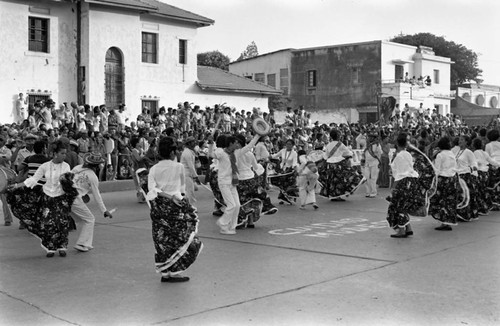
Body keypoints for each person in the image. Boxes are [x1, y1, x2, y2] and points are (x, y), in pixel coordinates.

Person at [6, 140, 78, 257]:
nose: (64, 156)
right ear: (55, 153)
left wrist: (71, 185)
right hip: (47, 197)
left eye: (65, 153)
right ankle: (50, 247)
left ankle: (62, 246)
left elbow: (69, 182)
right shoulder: (45, 166)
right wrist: (16, 186)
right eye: (62, 153)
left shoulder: (66, 166)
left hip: (61, 198)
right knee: (47, 223)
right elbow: (33, 180)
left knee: (62, 222)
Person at [146, 137, 202, 283]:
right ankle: (175, 271)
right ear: (172, 152)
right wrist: (175, 199)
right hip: (176, 205)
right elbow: (182, 189)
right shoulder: (179, 167)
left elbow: (151, 190)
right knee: (180, 239)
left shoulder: (153, 169)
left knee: (162, 239)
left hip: (159, 208)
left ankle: (165, 272)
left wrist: (166, 196)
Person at [71, 153, 114, 252]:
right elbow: (97, 195)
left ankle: (85, 242)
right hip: (75, 199)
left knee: (82, 220)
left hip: (66, 197)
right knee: (90, 219)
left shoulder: (76, 168)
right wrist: (104, 210)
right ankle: (82, 243)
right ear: (96, 166)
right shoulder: (92, 176)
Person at [386, 133, 421, 238]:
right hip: (412, 181)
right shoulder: (408, 154)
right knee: (403, 205)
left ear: (397, 143)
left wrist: (393, 188)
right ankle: (408, 228)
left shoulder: (398, 157)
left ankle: (401, 230)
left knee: (398, 206)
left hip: (403, 182)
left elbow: (398, 174)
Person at [429, 137, 459, 231]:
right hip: (453, 179)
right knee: (450, 201)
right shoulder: (451, 154)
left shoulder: (440, 155)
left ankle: (443, 221)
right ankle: (448, 221)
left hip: (443, 179)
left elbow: (437, 170)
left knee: (439, 200)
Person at [180, 136, 200, 207]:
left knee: (191, 190)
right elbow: (190, 166)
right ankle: (191, 207)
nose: (194, 143)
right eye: (192, 142)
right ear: (188, 144)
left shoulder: (191, 151)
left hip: (189, 174)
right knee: (190, 192)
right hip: (186, 174)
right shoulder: (187, 153)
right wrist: (196, 176)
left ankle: (189, 206)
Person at [362, 133, 382, 197]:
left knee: (373, 178)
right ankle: (368, 192)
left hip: (374, 162)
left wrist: (379, 162)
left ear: (373, 138)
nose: (369, 138)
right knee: (366, 177)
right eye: (368, 137)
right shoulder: (366, 144)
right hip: (367, 163)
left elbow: (380, 153)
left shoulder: (377, 145)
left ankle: (373, 192)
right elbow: (357, 140)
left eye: (370, 137)